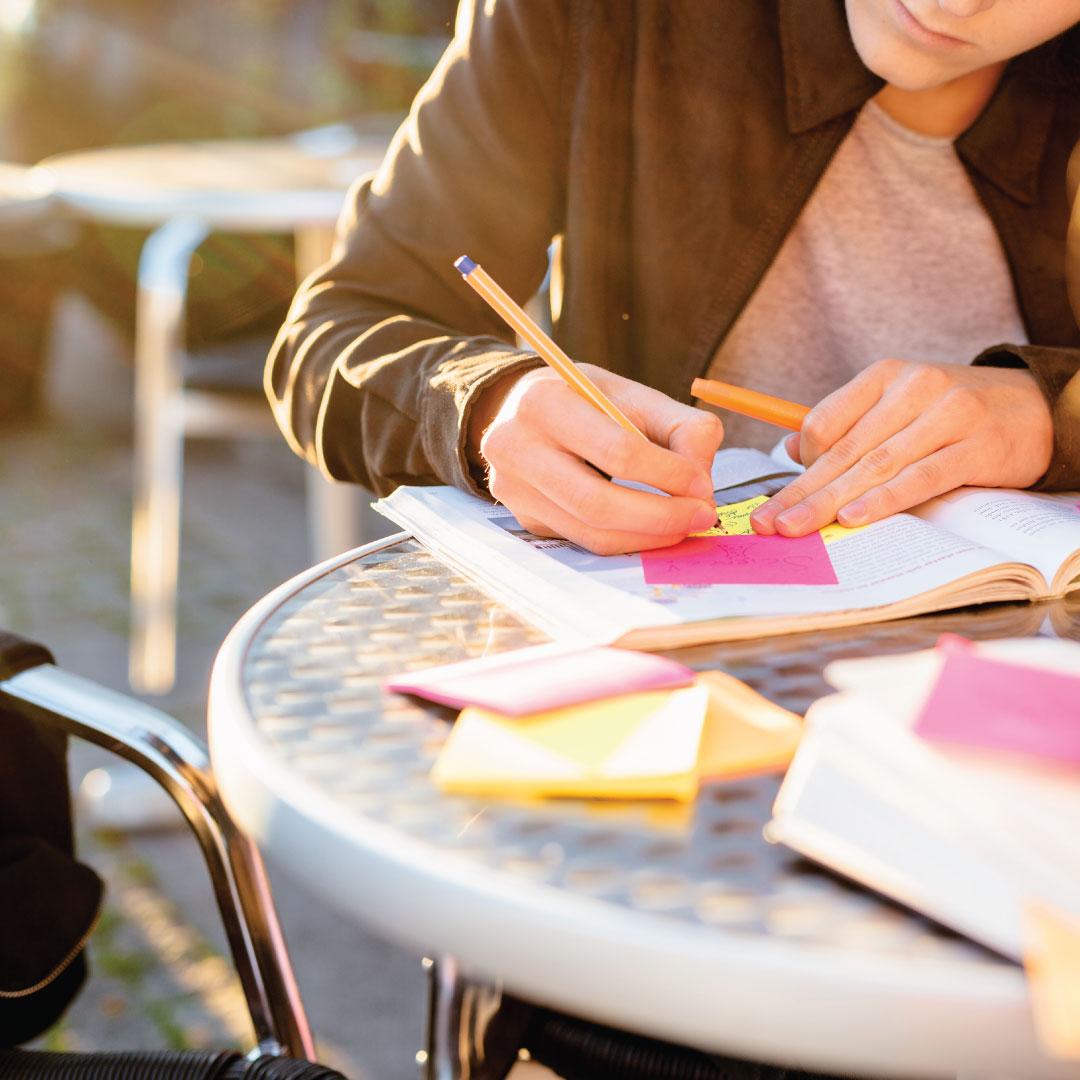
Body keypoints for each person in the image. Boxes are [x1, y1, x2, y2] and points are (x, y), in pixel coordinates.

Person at [268, 0, 1080, 558]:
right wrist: (487, 408)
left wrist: (1049, 413)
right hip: (664, 675)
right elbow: (334, 336)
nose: (957, 2)